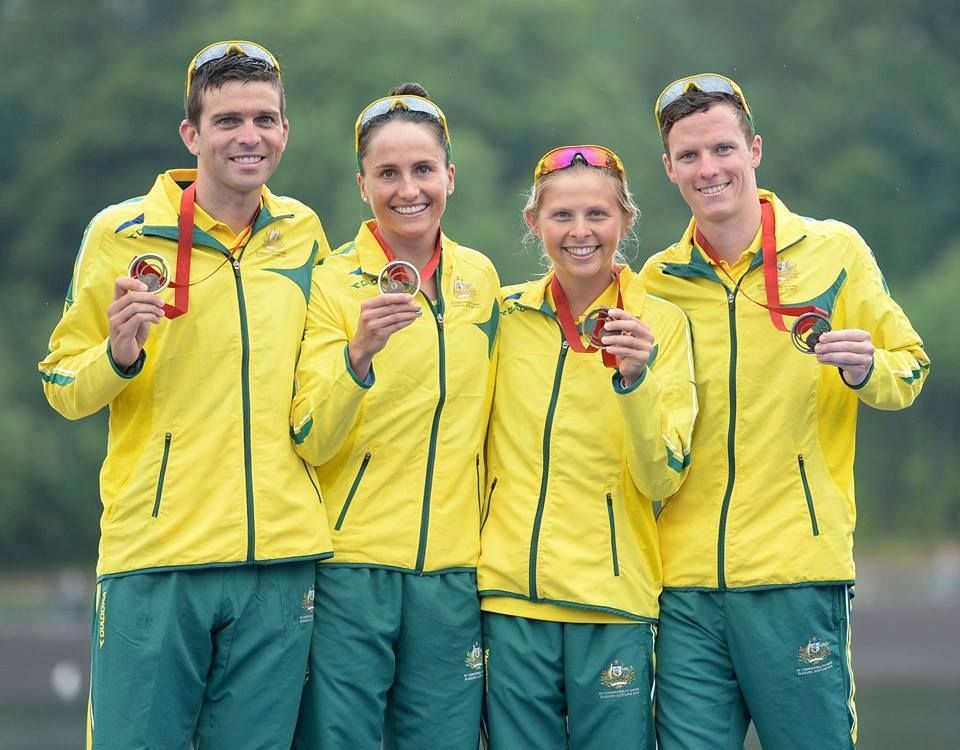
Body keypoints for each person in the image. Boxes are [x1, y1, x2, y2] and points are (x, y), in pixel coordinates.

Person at [37, 41, 333, 749]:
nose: (248, 136)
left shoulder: (303, 234)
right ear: (191, 135)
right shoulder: (120, 233)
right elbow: (61, 382)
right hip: (157, 557)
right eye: (227, 120)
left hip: (279, 561)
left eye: (264, 119)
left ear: (285, 131)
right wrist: (119, 354)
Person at [642, 73, 931, 749]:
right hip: (683, 585)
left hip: (797, 574)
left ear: (755, 150)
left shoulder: (834, 250)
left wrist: (864, 368)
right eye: (689, 156)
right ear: (669, 169)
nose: (708, 169)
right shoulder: (657, 281)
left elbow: (910, 367)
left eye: (722, 149)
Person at [290, 83, 501, 750]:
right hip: (350, 570)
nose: (408, 189)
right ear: (362, 186)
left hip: (453, 574)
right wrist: (358, 354)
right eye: (387, 173)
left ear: (450, 177)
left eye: (423, 169)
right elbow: (310, 437)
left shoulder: (481, 280)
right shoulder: (329, 283)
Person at [477, 145, 698, 748]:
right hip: (510, 600)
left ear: (626, 220)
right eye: (562, 215)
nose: (581, 232)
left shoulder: (662, 325)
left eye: (598, 214)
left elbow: (663, 478)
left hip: (613, 602)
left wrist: (636, 381)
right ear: (534, 223)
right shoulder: (504, 316)